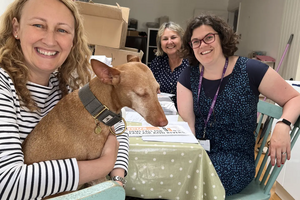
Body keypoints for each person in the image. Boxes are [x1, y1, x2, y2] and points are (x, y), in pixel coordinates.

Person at [0, 0, 129, 199]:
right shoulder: (3, 86)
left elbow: (118, 128)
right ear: (16, 29)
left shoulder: (67, 86)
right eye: (38, 25)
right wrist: (103, 165)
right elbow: (7, 183)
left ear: (73, 41)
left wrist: (117, 179)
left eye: (62, 30)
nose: (50, 40)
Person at [177, 14, 300, 196]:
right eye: (195, 41)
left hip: (235, 159)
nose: (202, 45)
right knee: (170, 173)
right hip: (199, 153)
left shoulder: (250, 69)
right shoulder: (189, 75)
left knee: (191, 183)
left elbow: (295, 98)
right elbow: (189, 125)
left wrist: (283, 125)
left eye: (209, 37)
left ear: (222, 37)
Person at [149, 21, 189, 108]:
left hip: (186, 113)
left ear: (181, 40)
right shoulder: (157, 63)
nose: (169, 42)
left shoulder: (191, 64)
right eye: (165, 39)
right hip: (162, 111)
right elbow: (149, 87)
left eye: (173, 37)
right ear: (160, 43)